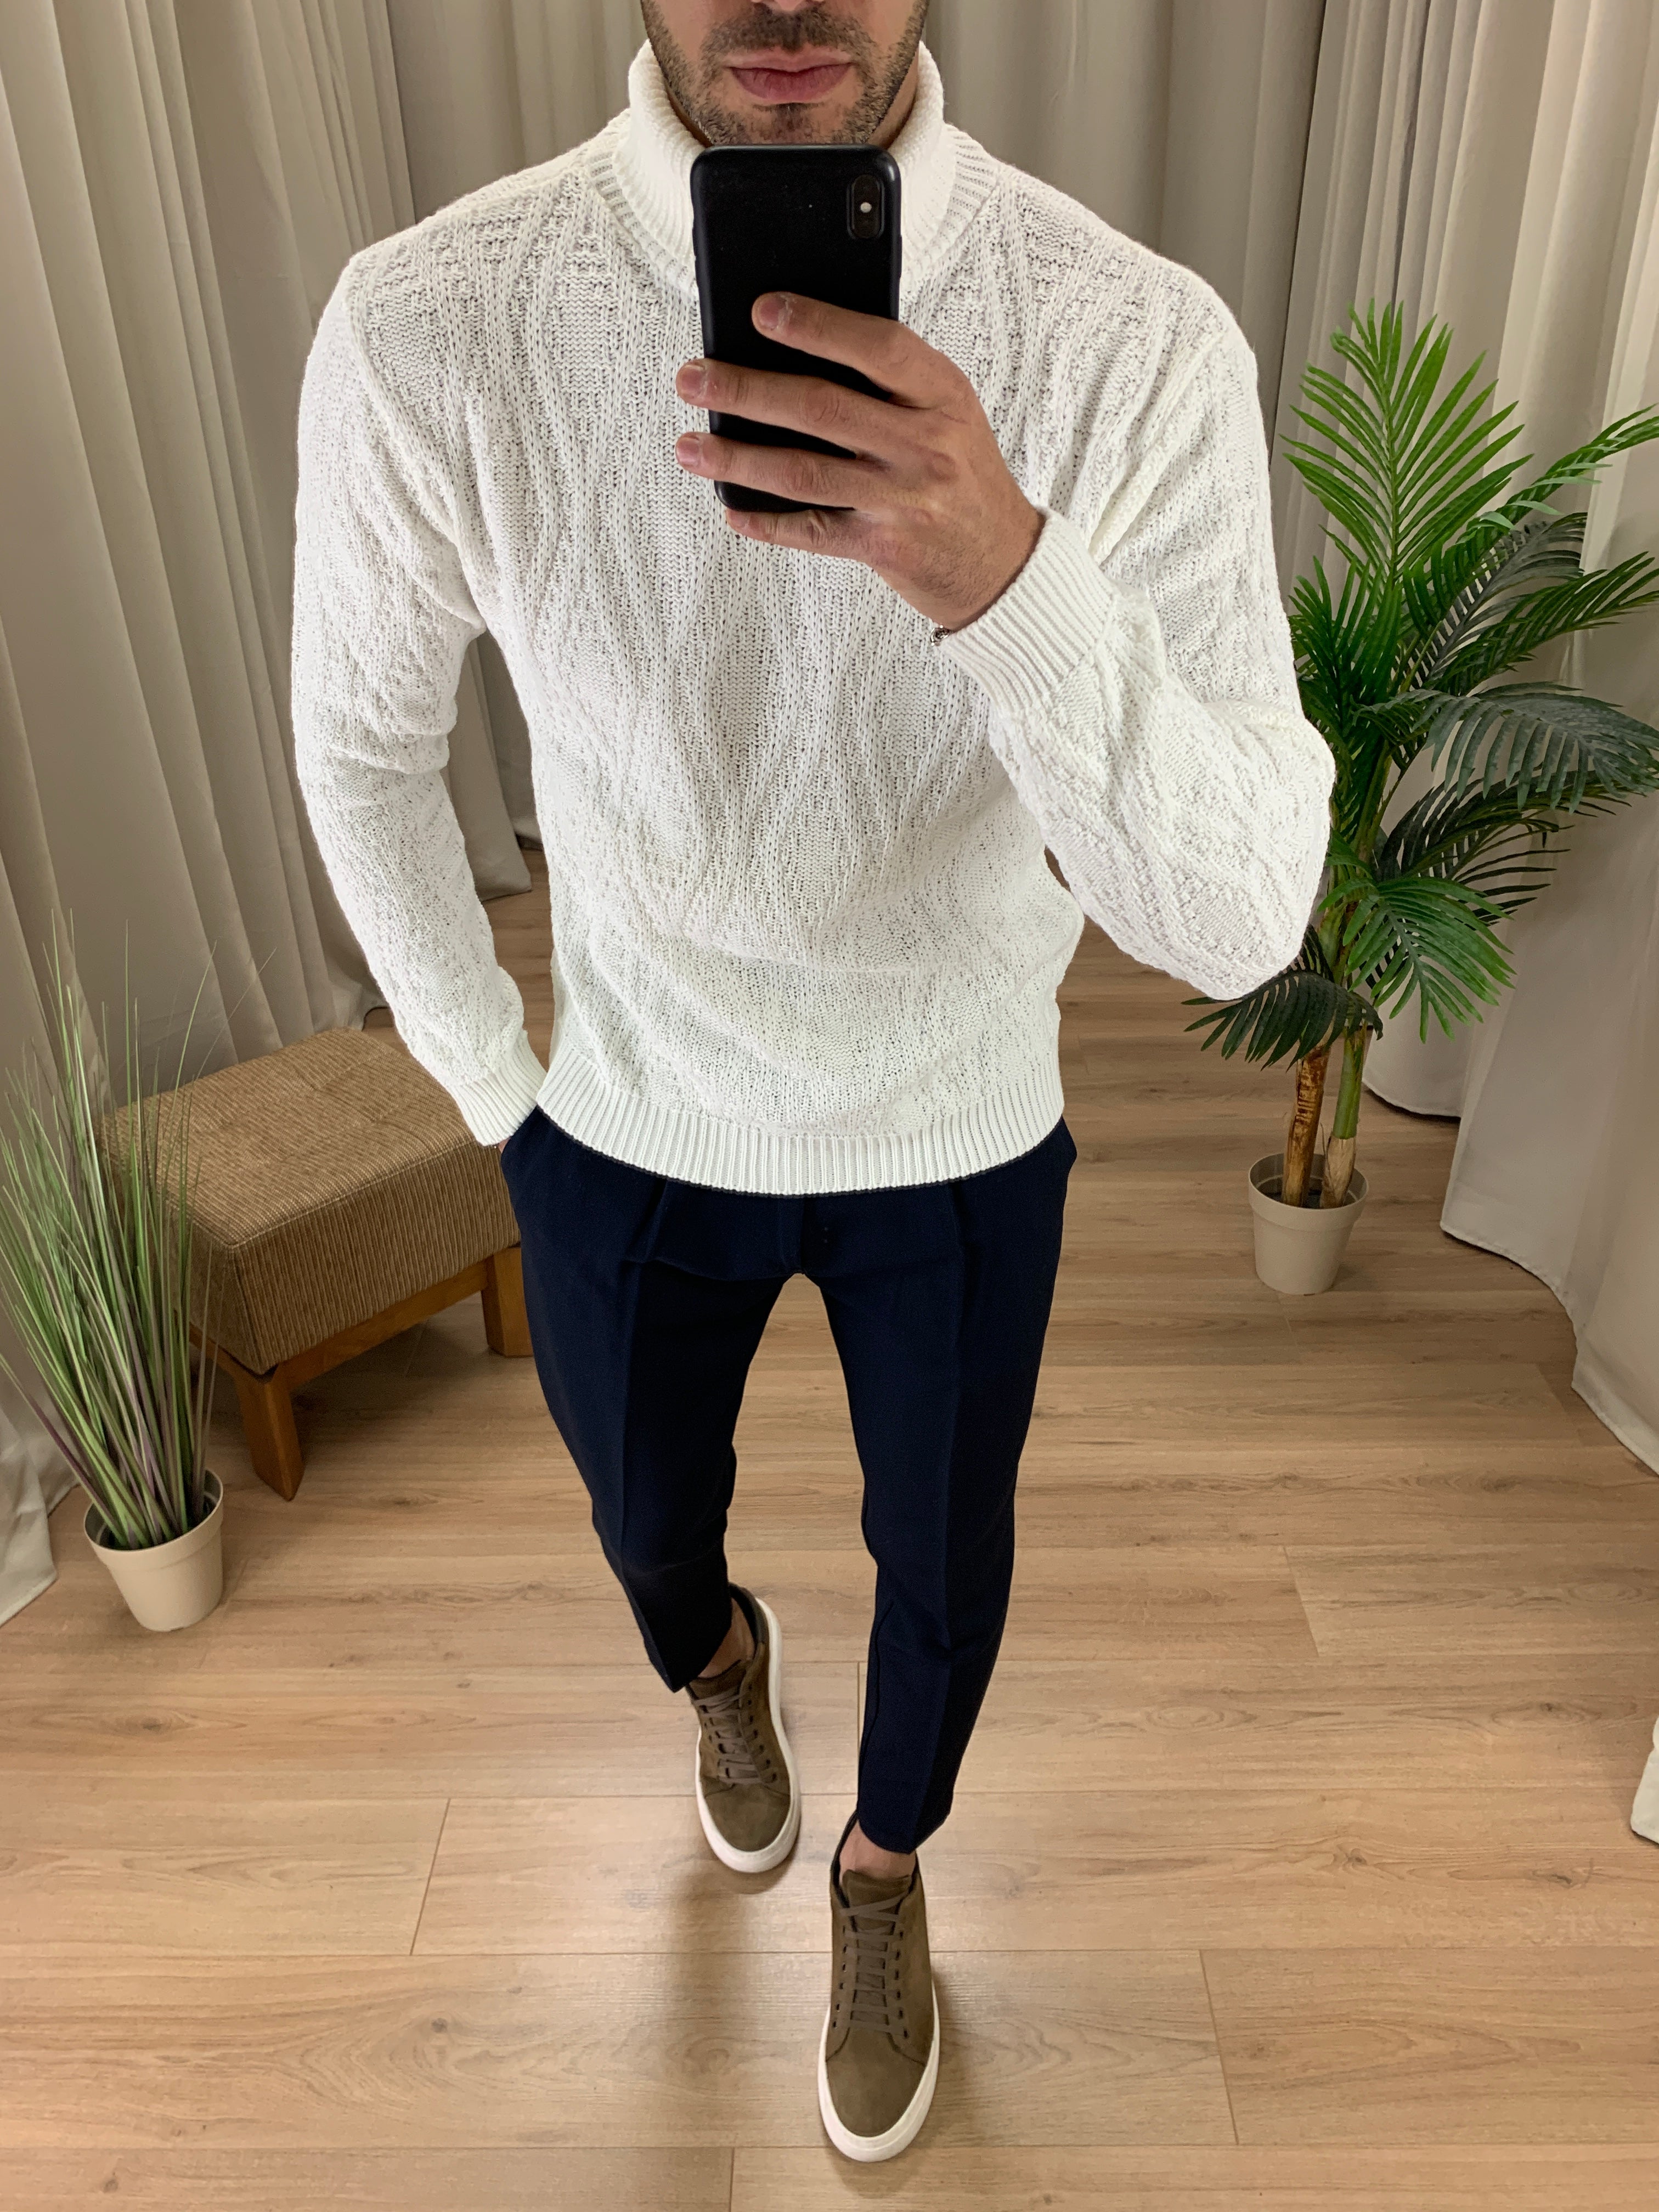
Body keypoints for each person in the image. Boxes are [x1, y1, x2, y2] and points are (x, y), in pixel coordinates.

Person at [290, 0, 1334, 2164]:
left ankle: (884, 1872)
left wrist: (1010, 577)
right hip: (620, 1122)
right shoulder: (428, 321)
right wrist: (497, 1096)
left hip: (956, 1123)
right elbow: (362, 750)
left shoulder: (1131, 340)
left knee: (946, 1567)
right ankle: (720, 1670)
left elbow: (1242, 921)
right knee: (646, 1531)